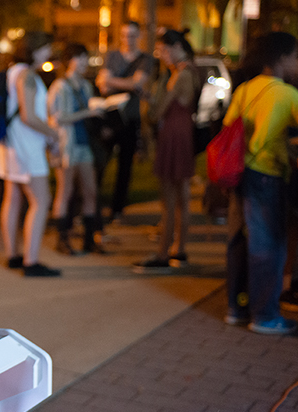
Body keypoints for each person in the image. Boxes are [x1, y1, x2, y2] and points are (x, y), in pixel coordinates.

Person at [222, 32, 298, 334]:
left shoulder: (245, 89)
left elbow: (230, 128)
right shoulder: (287, 94)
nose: (297, 63)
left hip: (240, 175)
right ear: (281, 59)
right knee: (268, 245)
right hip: (269, 176)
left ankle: (236, 307)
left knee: (239, 241)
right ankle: (265, 315)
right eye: (295, 57)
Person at [0, 31, 61, 277]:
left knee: (13, 199)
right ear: (35, 49)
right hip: (26, 147)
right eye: (46, 48)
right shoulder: (28, 75)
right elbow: (29, 116)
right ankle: (31, 261)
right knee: (41, 201)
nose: (49, 54)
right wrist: (53, 133)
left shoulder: (11, 72)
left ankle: (14, 255)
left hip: (9, 146)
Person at [133, 29, 201, 272]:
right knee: (181, 194)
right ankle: (178, 249)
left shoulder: (180, 75)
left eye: (163, 50)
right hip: (183, 133)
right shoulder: (189, 71)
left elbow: (160, 111)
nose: (161, 56)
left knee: (169, 197)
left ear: (173, 47)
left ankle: (164, 253)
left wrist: (148, 99)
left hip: (173, 134)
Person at [47, 42, 106, 255]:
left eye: (85, 58)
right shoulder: (60, 87)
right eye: (79, 58)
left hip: (83, 143)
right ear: (69, 61)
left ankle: (89, 239)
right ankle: (62, 238)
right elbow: (58, 119)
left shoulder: (85, 86)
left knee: (90, 191)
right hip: (66, 144)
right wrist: (88, 114)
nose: (84, 62)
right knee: (65, 191)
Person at [96, 21, 156, 222]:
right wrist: (129, 86)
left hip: (130, 118)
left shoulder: (145, 59)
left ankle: (117, 210)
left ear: (138, 36)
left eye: (131, 35)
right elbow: (102, 86)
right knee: (100, 164)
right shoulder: (112, 55)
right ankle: (93, 208)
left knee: (125, 167)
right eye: (124, 35)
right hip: (110, 117)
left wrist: (113, 82)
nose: (127, 40)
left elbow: (136, 82)